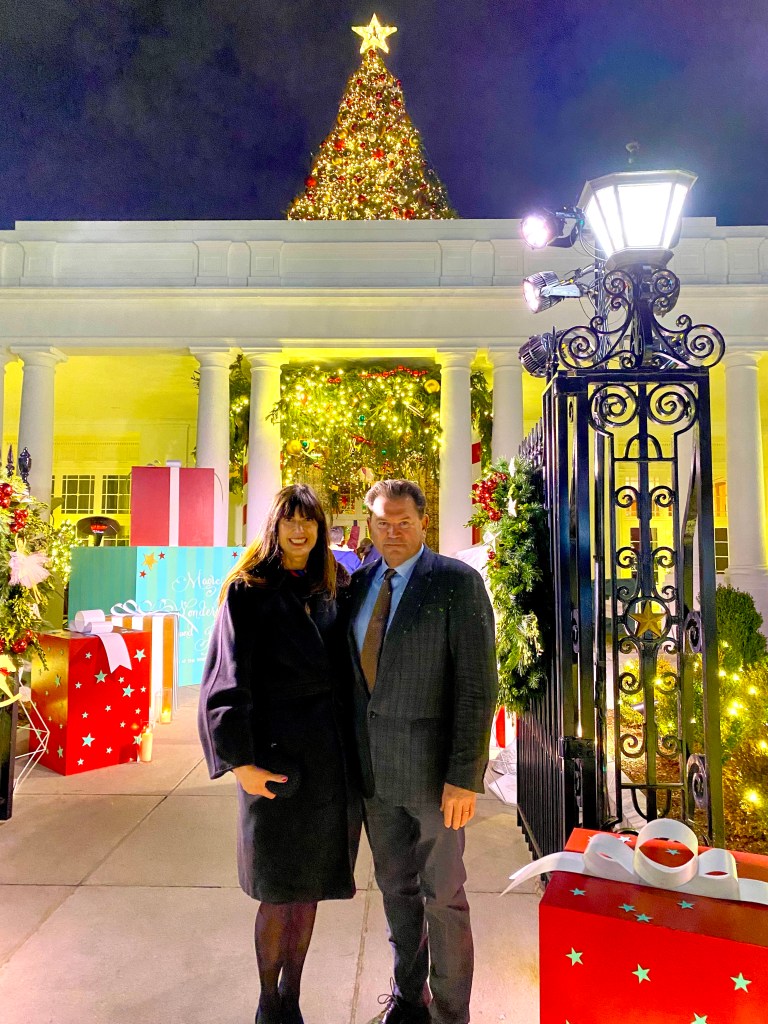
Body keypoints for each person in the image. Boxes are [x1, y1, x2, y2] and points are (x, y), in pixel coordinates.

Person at [198, 484, 360, 1024]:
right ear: (274, 527)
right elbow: (225, 682)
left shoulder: (334, 587)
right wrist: (240, 763)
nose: (299, 530)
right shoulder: (248, 591)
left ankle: (292, 998)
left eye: (308, 521)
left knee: (307, 891)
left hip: (327, 765)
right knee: (277, 891)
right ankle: (269, 1004)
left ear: (320, 529)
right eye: (290, 520)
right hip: (273, 763)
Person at [345, 479, 498, 1024]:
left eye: (403, 522)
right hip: (375, 778)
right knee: (395, 891)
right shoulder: (358, 583)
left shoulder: (456, 583)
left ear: (423, 522)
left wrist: (465, 776)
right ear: (369, 524)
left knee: (444, 898)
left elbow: (477, 686)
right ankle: (409, 999)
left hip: (436, 781)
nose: (392, 532)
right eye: (382, 523)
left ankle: (451, 1014)